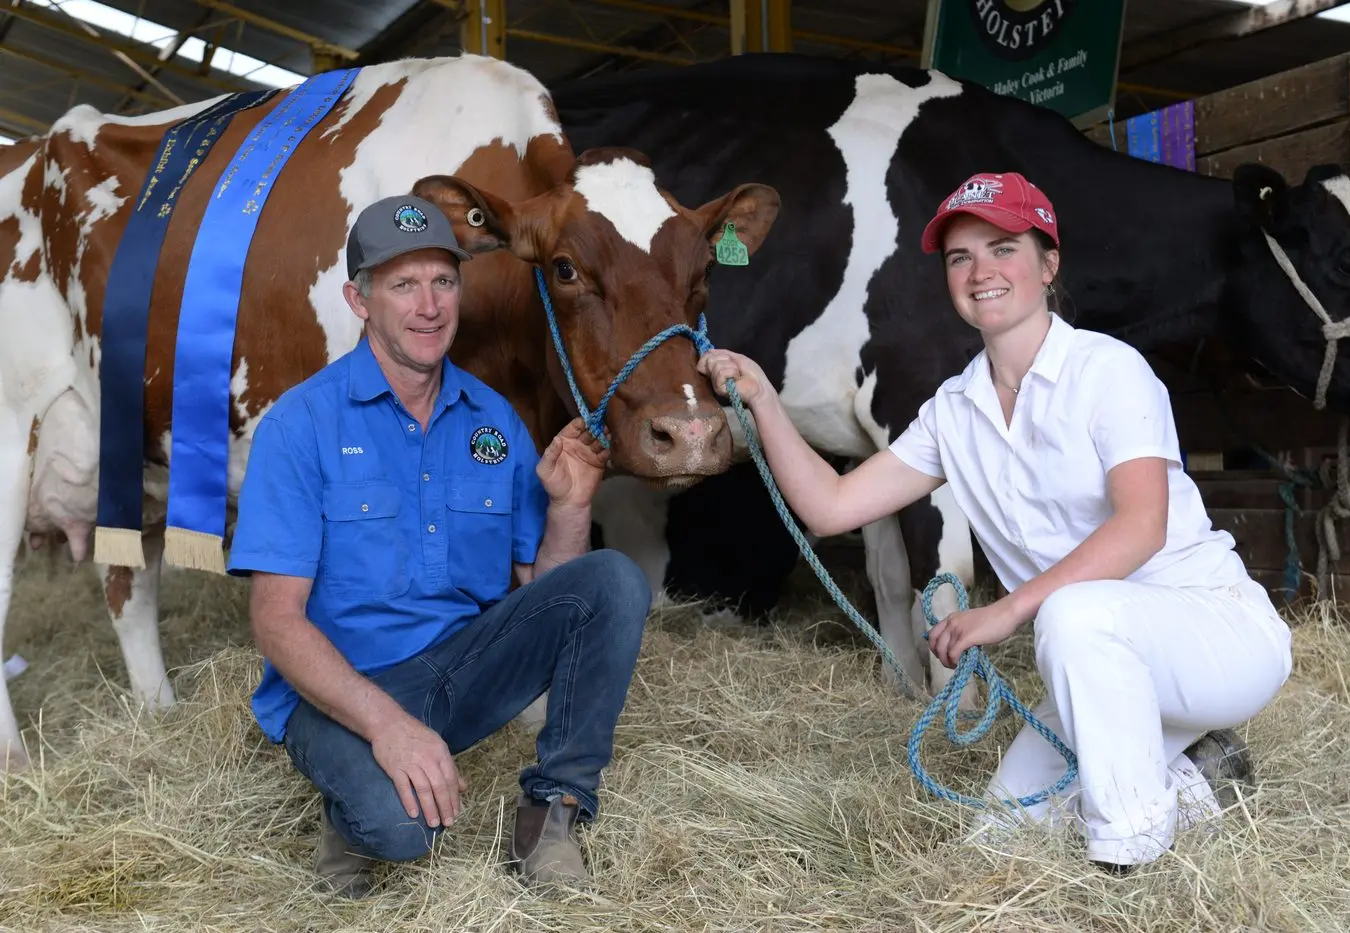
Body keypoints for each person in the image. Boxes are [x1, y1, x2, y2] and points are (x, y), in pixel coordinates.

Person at [695, 171, 1293, 871]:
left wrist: (1004, 611)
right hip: (1098, 666)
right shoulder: (955, 409)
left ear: (1048, 264)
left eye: (1003, 248)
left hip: (1214, 638)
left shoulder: (1109, 372)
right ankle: (1199, 779)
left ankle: (1129, 866)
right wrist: (765, 401)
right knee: (1001, 838)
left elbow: (1141, 529)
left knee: (1071, 617)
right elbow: (830, 507)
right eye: (959, 257)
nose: (981, 271)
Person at [227, 194, 652, 897]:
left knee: (610, 580)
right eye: (403, 284)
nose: (429, 305)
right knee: (403, 830)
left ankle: (550, 815)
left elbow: (546, 590)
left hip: (462, 668)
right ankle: (355, 803)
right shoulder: (301, 424)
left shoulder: (494, 421)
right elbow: (275, 620)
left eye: (444, 281)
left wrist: (572, 507)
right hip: (343, 692)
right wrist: (389, 726)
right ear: (358, 300)